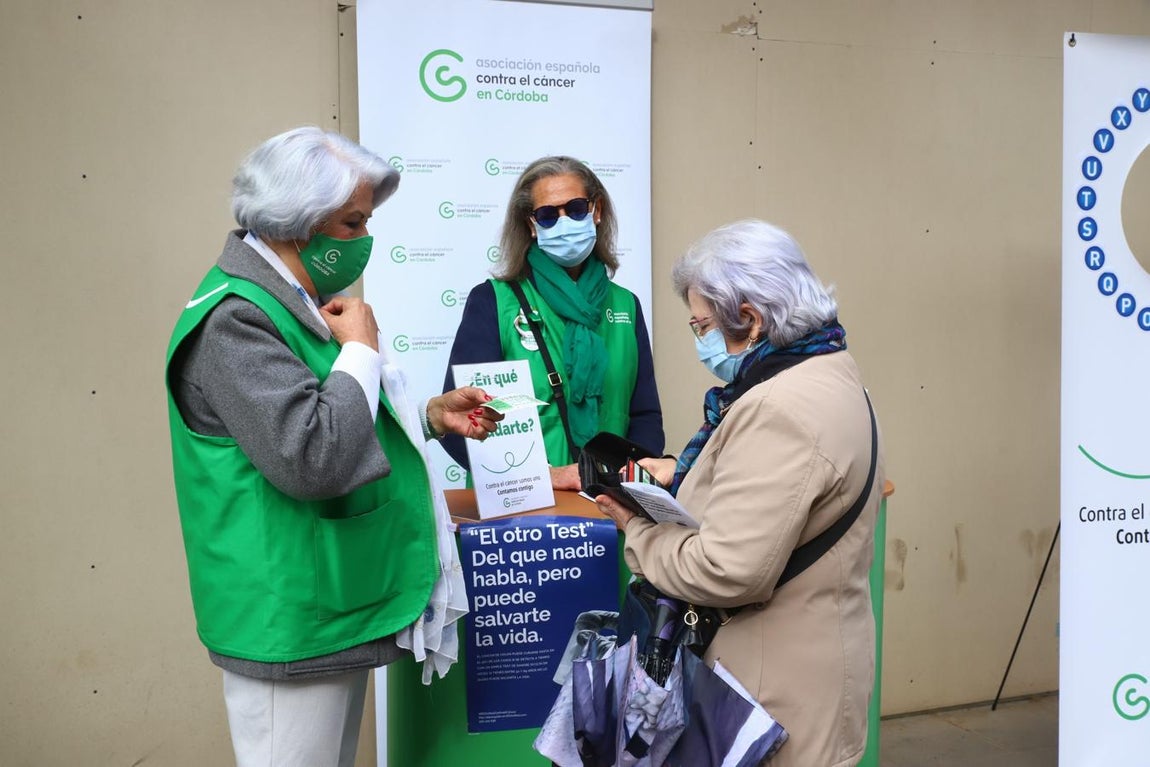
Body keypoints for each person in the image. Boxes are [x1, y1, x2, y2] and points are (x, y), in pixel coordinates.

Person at [165, 126, 501, 767]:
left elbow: (327, 418)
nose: (365, 242)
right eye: (352, 224)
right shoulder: (237, 319)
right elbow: (311, 455)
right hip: (287, 617)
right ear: (296, 223)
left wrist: (427, 417)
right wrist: (362, 351)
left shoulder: (291, 302)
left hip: (326, 603)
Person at [594, 219, 885, 767]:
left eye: (701, 324)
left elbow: (728, 569)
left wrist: (639, 533)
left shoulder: (779, 407)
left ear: (748, 319)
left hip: (771, 690)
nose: (698, 339)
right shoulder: (828, 369)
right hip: (809, 667)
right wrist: (684, 477)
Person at [441, 156, 664, 489]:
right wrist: (545, 478)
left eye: (575, 208)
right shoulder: (493, 301)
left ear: (596, 210)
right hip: (519, 515)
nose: (564, 222)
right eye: (547, 215)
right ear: (531, 225)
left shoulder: (625, 305)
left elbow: (645, 417)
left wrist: (624, 483)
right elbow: (458, 424)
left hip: (609, 509)